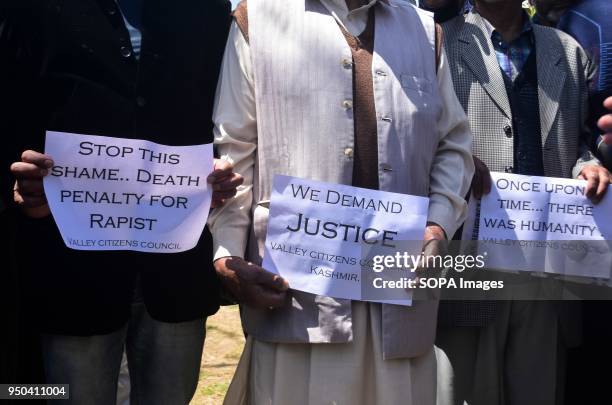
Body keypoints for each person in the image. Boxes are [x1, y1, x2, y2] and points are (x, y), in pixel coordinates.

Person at [208, 0, 475, 404]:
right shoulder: (258, 18)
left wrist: (438, 224)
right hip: (297, 298)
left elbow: (453, 145)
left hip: (400, 293)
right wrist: (227, 253)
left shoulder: (423, 30)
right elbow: (236, 149)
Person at [1, 1, 242, 404]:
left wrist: (222, 167)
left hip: (175, 271)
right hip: (69, 273)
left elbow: (229, 118)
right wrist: (17, 183)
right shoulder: (30, 8)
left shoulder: (208, 10)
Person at [437, 0, 610, 404]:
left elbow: (579, 139)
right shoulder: (438, 42)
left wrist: (587, 165)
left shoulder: (567, 49)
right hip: (469, 266)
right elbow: (421, 134)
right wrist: (454, 159)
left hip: (546, 274)